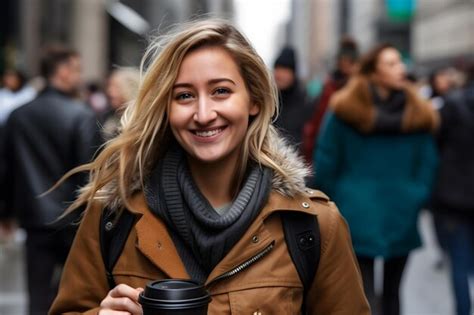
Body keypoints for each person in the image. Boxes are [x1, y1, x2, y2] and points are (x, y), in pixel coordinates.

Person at [49, 20, 369, 314]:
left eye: (221, 91)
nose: (203, 114)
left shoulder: (312, 225)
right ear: (166, 107)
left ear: (253, 100)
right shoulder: (112, 215)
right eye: (185, 96)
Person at [313, 43, 439, 315]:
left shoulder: (417, 112)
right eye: (391, 63)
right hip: (358, 216)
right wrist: (341, 201)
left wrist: (416, 195)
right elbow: (326, 161)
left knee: (393, 296)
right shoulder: (345, 110)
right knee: (363, 297)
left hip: (400, 213)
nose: (401, 68)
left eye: (400, 62)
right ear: (373, 71)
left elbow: (428, 161)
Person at [0, 45, 101, 315]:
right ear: (64, 72)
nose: (79, 76)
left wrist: (6, 213)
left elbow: (6, 169)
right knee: (78, 294)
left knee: (37, 293)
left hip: (34, 219)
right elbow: (89, 172)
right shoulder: (81, 115)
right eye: (76, 69)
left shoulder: (19, 116)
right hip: (74, 218)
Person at [430, 64, 474, 315]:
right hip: (455, 195)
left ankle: (463, 310)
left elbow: (435, 146)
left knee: (458, 260)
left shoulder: (452, 105)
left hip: (453, 196)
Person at [302, 36, 359, 164]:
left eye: (350, 61)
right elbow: (317, 120)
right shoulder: (329, 87)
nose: (346, 65)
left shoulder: (362, 88)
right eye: (343, 60)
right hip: (330, 148)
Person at [273, 46, 311, 151]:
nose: (279, 74)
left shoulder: (305, 102)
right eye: (277, 69)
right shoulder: (268, 101)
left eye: (285, 70)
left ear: (293, 73)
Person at [100, 68, 140, 141]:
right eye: (109, 86)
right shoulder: (108, 117)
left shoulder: (139, 122)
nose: (109, 91)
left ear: (130, 89)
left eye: (116, 87)